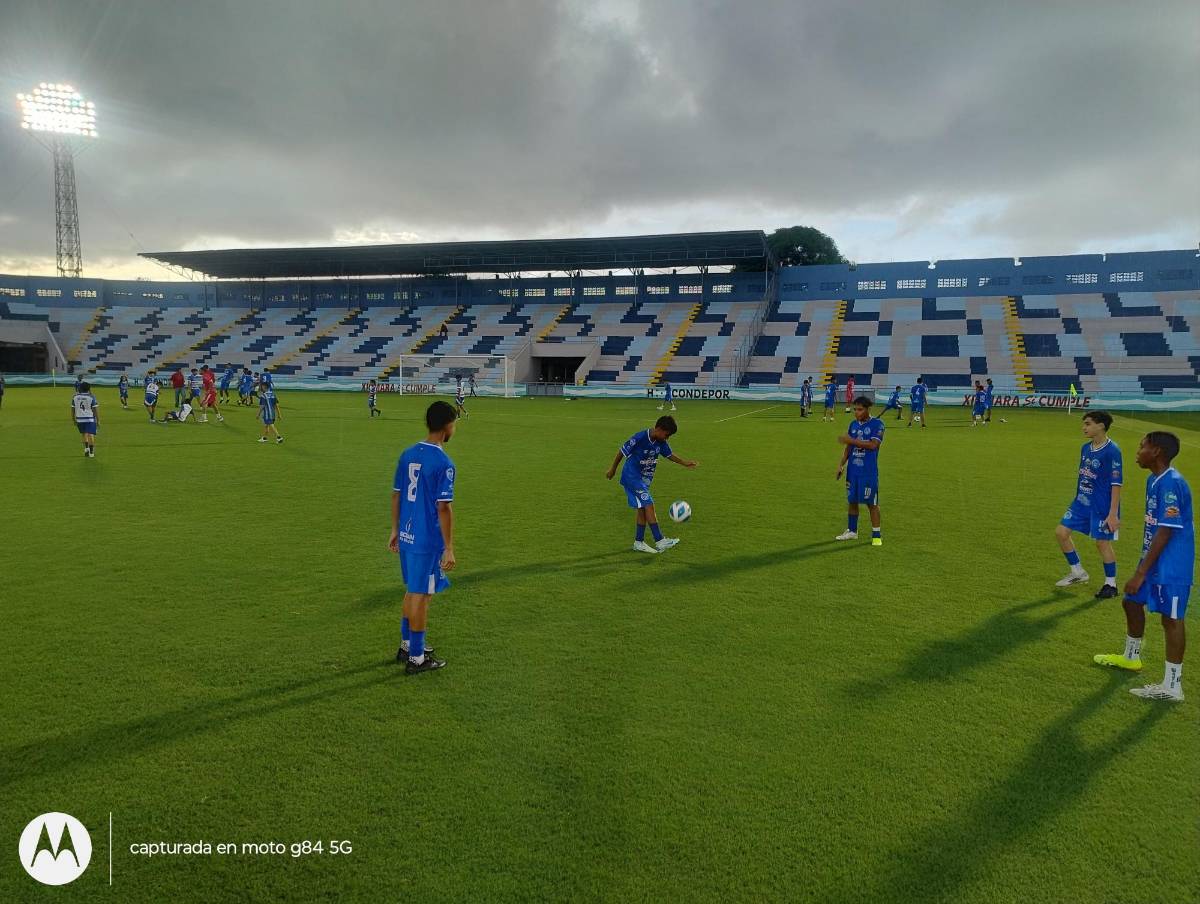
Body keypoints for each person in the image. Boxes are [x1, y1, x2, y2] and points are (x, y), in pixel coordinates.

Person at [1094, 431, 1193, 702]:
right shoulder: (1154, 480)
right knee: (1131, 602)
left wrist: (1140, 572)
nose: (1137, 451)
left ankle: (1173, 686)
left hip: (1172, 565)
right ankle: (1131, 657)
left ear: (1157, 451)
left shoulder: (1171, 483)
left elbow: (1166, 530)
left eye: (1142, 447)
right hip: (1153, 560)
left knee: (1171, 619)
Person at [388, 400, 458, 675]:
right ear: (447, 426)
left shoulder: (407, 454)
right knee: (422, 595)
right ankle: (416, 658)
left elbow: (396, 494)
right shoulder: (443, 462)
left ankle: (408, 644)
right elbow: (444, 507)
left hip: (406, 534)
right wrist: (449, 547)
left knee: (413, 590)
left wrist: (394, 530)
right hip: (426, 540)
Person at [605, 415, 698, 554]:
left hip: (643, 479)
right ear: (659, 429)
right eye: (667, 435)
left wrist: (685, 463)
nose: (667, 438)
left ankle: (639, 542)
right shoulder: (640, 437)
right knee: (648, 503)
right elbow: (622, 451)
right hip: (632, 476)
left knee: (642, 508)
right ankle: (660, 541)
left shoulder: (660, 442)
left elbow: (669, 455)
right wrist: (612, 469)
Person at [1055, 411, 1122, 597]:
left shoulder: (1112, 451)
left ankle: (1111, 585)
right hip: (1081, 502)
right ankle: (1077, 572)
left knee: (1102, 544)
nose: (1084, 427)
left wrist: (1113, 513)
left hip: (1102, 506)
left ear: (1101, 426)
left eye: (1088, 424)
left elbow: (1117, 483)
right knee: (1061, 532)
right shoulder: (1085, 448)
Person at [835, 396, 884, 546]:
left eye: (860, 409)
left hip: (868, 472)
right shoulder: (853, 425)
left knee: (872, 503)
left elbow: (872, 445)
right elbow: (848, 448)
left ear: (868, 409)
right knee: (852, 501)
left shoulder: (878, 424)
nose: (856, 412)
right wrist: (841, 464)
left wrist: (850, 440)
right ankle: (852, 531)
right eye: (855, 409)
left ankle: (876, 535)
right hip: (853, 471)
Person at [71, 380, 100, 458]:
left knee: (84, 434)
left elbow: (72, 409)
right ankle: (91, 452)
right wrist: (98, 420)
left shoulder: (75, 397)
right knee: (90, 435)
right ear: (89, 388)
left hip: (80, 419)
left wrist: (73, 419)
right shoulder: (91, 397)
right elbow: (95, 410)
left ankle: (86, 448)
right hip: (90, 419)